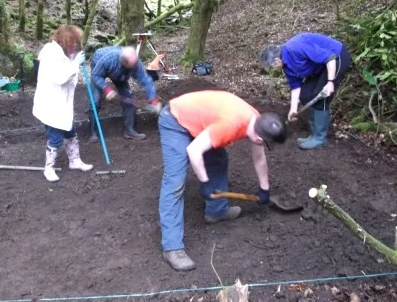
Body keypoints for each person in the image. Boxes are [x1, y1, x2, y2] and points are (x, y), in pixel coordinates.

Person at [157, 90, 287, 271]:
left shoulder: (257, 121)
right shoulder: (230, 125)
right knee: (175, 181)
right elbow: (194, 151)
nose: (264, 146)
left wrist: (264, 188)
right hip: (175, 120)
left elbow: (259, 158)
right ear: (259, 138)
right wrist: (205, 182)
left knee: (218, 160)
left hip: (203, 121)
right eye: (266, 143)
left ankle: (216, 212)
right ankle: (172, 247)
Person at [259, 32, 352, 150]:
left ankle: (319, 138)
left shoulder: (297, 47)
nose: (273, 68)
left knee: (321, 96)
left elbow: (329, 58)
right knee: (305, 95)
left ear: (277, 60)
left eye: (272, 66)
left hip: (336, 57)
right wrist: (293, 109)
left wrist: (330, 82)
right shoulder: (286, 66)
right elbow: (295, 86)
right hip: (320, 67)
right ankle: (313, 134)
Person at [32, 25, 93, 182]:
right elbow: (61, 78)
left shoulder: (64, 53)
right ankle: (49, 168)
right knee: (56, 138)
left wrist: (75, 59)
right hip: (51, 105)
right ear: (66, 41)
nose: (75, 46)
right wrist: (75, 63)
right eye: (74, 43)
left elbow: (70, 73)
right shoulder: (51, 54)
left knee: (71, 132)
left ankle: (75, 161)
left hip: (62, 104)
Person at [87, 46, 162, 142]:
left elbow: (146, 80)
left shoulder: (135, 63)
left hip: (119, 73)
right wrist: (107, 89)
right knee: (95, 100)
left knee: (128, 98)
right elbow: (96, 75)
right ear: (123, 62)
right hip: (98, 67)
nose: (135, 67)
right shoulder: (109, 59)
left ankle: (129, 131)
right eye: (132, 66)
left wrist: (153, 100)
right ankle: (93, 133)